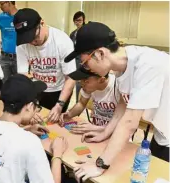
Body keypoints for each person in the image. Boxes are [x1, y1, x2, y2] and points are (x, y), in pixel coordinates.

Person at [64, 21, 170, 181]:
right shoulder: (122, 65)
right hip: (162, 132)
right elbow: (123, 104)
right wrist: (105, 133)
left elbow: (129, 122)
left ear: (100, 54)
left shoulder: (147, 64)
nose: (87, 69)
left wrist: (100, 165)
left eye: (85, 63)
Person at [0, 74, 69, 183]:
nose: (36, 110)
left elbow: (0, 139)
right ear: (29, 106)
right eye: (37, 106)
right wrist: (57, 154)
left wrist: (24, 130)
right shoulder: (30, 142)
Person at [14, 8, 76, 123]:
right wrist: (28, 104)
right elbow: (23, 77)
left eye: (34, 37)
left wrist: (59, 105)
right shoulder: (22, 44)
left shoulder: (62, 41)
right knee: (37, 121)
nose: (32, 42)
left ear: (42, 23)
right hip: (37, 89)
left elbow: (70, 78)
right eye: (28, 39)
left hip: (60, 91)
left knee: (55, 123)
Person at [60, 67, 120, 134]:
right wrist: (69, 114)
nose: (81, 84)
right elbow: (82, 103)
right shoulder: (88, 87)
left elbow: (127, 122)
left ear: (101, 80)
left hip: (117, 134)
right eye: (80, 80)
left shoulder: (119, 87)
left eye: (86, 81)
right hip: (95, 129)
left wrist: (97, 128)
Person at [0, 1, 18, 82]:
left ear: (9, 2)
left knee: (20, 85)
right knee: (6, 85)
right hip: (4, 57)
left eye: (2, 4)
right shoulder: (0, 17)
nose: (0, 6)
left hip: (19, 57)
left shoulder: (21, 16)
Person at [69, 11, 86, 102]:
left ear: (83, 20)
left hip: (85, 61)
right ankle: (77, 104)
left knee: (83, 84)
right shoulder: (73, 34)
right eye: (76, 21)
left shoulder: (87, 31)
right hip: (74, 61)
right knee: (76, 83)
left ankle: (82, 103)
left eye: (79, 20)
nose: (78, 22)